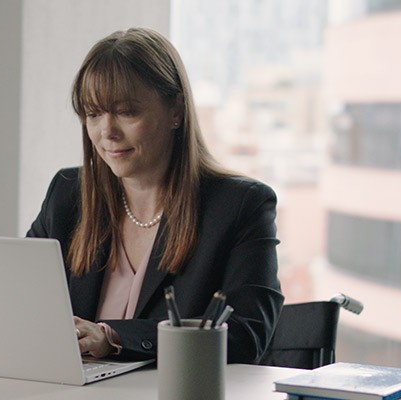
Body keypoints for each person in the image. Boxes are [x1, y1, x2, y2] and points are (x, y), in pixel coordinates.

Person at [26, 27, 283, 364]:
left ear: (176, 111)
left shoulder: (239, 206)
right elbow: (20, 302)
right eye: (93, 114)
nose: (107, 132)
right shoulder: (67, 195)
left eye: (127, 112)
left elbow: (246, 335)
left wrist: (113, 337)